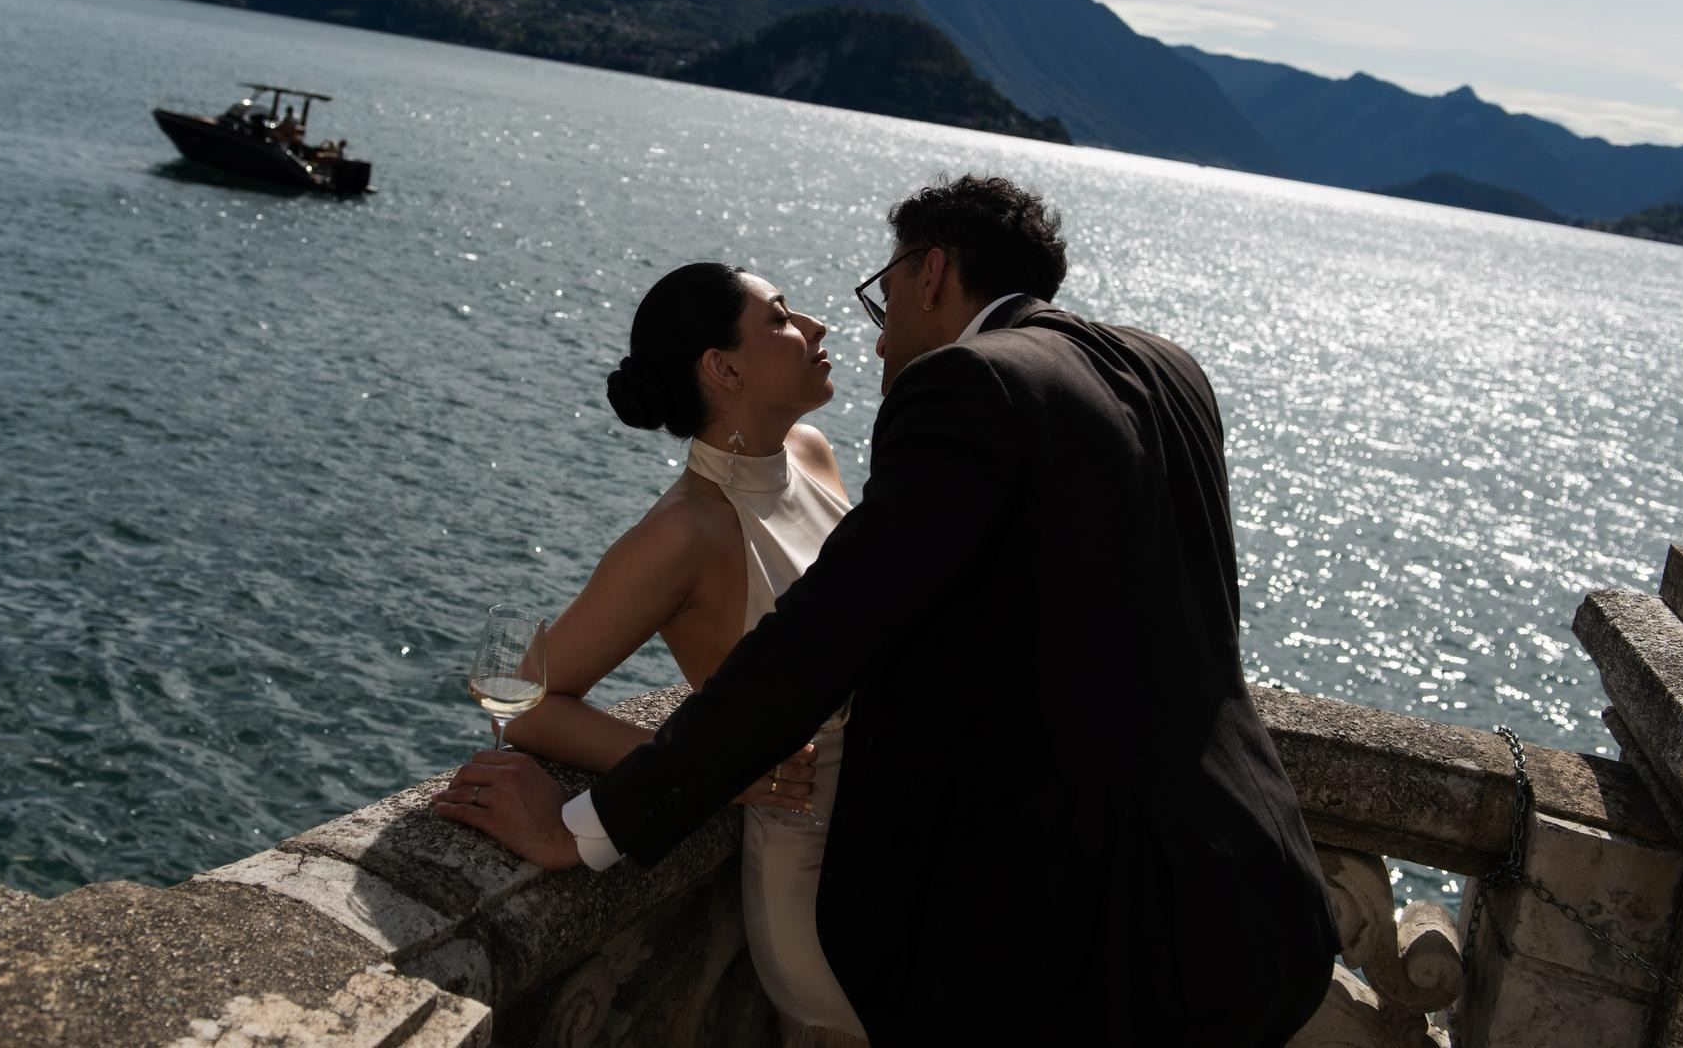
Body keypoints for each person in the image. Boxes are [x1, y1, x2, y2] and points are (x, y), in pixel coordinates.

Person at [437, 175, 1340, 1044]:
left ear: (934, 273)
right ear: (722, 367)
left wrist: (588, 829)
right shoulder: (1167, 366)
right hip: (1260, 886)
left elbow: (823, 637)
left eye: (885, 288)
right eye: (784, 315)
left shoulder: (965, 387)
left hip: (1107, 933)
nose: (855, 325)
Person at [498, 261, 868, 1044]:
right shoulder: (685, 531)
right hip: (818, 886)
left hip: (896, 835)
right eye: (781, 317)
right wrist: (718, 767)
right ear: (723, 367)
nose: (816, 328)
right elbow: (520, 700)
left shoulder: (809, 450)